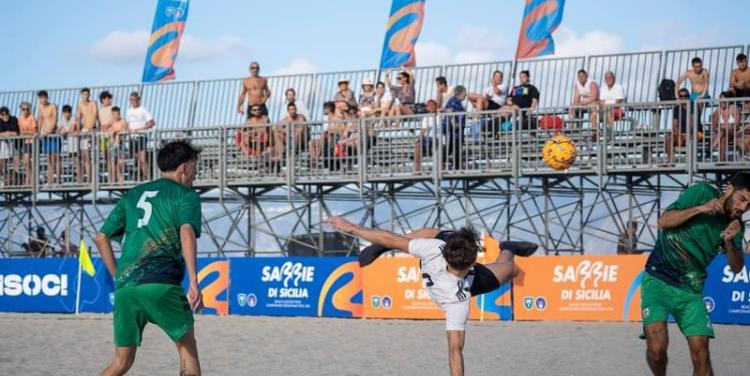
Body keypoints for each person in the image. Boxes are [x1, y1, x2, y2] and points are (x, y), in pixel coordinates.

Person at [325, 216, 537, 376]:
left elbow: (391, 238)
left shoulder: (436, 252)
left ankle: (508, 246)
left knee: (432, 233)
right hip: (464, 277)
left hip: (463, 275)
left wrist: (352, 227)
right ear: (473, 262)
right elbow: (455, 352)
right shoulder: (454, 292)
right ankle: (506, 248)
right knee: (509, 269)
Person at [95, 140, 204, 376]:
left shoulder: (132, 195)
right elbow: (186, 232)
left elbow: (101, 237)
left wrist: (118, 277)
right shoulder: (186, 196)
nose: (196, 173)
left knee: (121, 361)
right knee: (187, 349)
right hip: (160, 285)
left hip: (126, 288)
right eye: (195, 166)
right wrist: (194, 281)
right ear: (183, 167)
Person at [641, 172, 750, 376]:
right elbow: (663, 221)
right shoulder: (701, 192)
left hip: (691, 291)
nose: (743, 208)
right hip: (657, 280)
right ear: (729, 190)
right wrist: (701, 208)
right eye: (742, 199)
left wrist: (729, 243)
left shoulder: (736, 226)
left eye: (749, 205)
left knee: (702, 357)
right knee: (656, 350)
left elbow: (737, 268)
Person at [664, 89, 702, 161]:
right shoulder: (676, 109)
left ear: (689, 96)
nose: (683, 97)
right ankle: (670, 160)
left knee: (690, 137)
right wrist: (680, 134)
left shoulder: (694, 106)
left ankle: (691, 161)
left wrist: (687, 134)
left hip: (695, 133)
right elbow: (675, 125)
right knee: (668, 138)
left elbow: (692, 122)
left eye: (685, 95)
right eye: (681, 96)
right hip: (681, 134)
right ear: (679, 97)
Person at [125, 92, 155, 181]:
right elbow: (127, 123)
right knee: (136, 160)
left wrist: (141, 128)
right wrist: (128, 130)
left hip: (141, 136)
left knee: (142, 160)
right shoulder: (128, 111)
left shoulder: (143, 109)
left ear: (138, 99)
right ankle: (139, 177)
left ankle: (149, 179)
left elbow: (152, 122)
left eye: (135, 99)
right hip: (131, 137)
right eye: (131, 100)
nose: (133, 101)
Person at [37, 90, 60, 186]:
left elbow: (55, 119)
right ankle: (50, 180)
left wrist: (49, 131)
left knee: (56, 158)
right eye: (40, 98)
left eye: (43, 97)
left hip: (53, 134)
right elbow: (40, 121)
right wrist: (38, 132)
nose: (42, 100)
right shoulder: (41, 109)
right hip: (45, 136)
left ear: (47, 97)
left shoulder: (53, 106)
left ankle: (58, 179)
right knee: (49, 158)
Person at [443, 86, 468, 170]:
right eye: (465, 93)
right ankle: (441, 162)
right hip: (451, 130)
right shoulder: (453, 100)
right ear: (461, 93)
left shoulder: (459, 102)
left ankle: (457, 167)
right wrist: (454, 123)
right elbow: (449, 110)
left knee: (456, 148)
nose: (465, 95)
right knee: (450, 147)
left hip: (457, 131)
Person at [76, 88, 98, 184]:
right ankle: (88, 178)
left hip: (92, 131)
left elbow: (94, 116)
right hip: (84, 131)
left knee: (93, 156)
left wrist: (90, 128)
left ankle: (92, 178)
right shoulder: (80, 105)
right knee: (85, 156)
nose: (86, 96)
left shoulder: (93, 103)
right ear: (81, 95)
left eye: (87, 94)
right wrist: (78, 130)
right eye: (84, 94)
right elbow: (78, 118)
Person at [711, 91, 740, 162]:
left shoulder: (734, 108)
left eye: (724, 100)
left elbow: (736, 126)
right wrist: (727, 126)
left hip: (733, 134)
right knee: (723, 138)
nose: (722, 102)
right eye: (721, 99)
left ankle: (712, 147)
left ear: (729, 100)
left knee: (722, 131)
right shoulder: (717, 111)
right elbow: (713, 127)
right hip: (722, 135)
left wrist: (724, 127)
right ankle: (721, 162)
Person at [57, 105, 80, 184]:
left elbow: (72, 128)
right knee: (73, 157)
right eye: (65, 113)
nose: (66, 114)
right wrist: (61, 131)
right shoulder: (62, 119)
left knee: (76, 157)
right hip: (70, 143)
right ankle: (77, 172)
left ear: (70, 113)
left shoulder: (74, 118)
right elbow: (58, 130)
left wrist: (65, 131)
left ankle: (78, 173)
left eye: (68, 112)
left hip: (75, 141)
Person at [414, 99, 438, 172]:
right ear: (427, 108)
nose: (431, 107)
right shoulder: (426, 118)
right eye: (429, 105)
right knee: (418, 145)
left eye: (433, 105)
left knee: (435, 146)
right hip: (428, 140)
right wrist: (418, 139)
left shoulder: (440, 116)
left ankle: (437, 169)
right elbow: (423, 131)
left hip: (438, 139)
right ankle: (418, 169)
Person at [18, 102, 38, 186]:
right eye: (23, 109)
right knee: (26, 162)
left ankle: (32, 180)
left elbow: (34, 132)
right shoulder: (20, 118)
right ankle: (28, 178)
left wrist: (25, 133)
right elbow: (20, 132)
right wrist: (26, 133)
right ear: (21, 110)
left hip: (33, 142)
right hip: (26, 142)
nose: (25, 111)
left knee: (32, 162)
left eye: (27, 109)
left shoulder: (32, 118)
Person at [0, 107, 20, 185]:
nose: (5, 116)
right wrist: (6, 133)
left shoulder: (13, 119)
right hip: (3, 143)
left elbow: (16, 133)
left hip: (13, 143)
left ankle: (16, 175)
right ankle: (3, 176)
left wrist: (6, 133)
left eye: (6, 114)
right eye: (3, 114)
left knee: (16, 156)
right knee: (2, 160)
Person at [99, 91, 114, 183]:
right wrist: (102, 127)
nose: (109, 100)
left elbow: (113, 120)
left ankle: (113, 177)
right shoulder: (100, 110)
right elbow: (99, 123)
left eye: (109, 98)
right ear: (103, 99)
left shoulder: (112, 108)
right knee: (106, 158)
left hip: (111, 137)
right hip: (103, 137)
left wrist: (106, 126)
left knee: (112, 157)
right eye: (107, 98)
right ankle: (110, 177)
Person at [109, 107, 128, 183]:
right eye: (114, 115)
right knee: (113, 162)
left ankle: (121, 179)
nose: (115, 116)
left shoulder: (123, 120)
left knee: (121, 162)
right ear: (112, 115)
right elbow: (105, 130)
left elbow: (125, 129)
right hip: (111, 144)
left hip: (120, 144)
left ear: (119, 114)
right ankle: (114, 179)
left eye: (117, 114)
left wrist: (116, 131)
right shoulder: (111, 122)